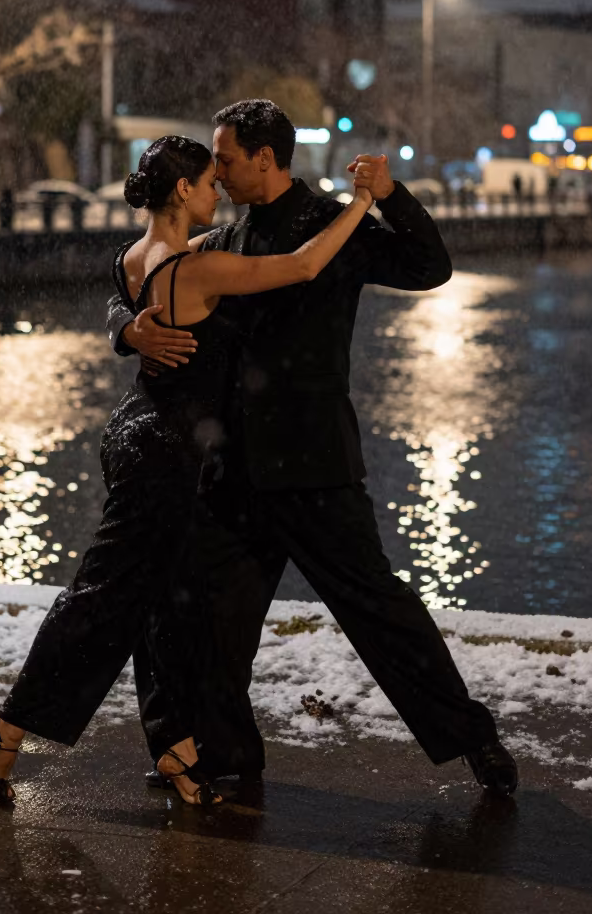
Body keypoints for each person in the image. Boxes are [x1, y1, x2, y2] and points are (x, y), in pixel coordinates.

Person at [108, 100, 518, 798]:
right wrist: (126, 329)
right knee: (206, 615)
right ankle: (223, 754)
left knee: (380, 613)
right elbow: (137, 280)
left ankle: (474, 739)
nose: (219, 171)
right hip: (232, 462)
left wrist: (388, 195)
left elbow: (430, 266)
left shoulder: (335, 224)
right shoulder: (226, 237)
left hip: (312, 461)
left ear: (265, 159)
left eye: (228, 159)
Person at [0, 134, 374, 807]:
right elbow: (302, 266)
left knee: (166, 600)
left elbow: (120, 302)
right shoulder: (194, 268)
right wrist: (358, 205)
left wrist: (125, 328)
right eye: (209, 182)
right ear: (182, 190)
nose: (216, 192)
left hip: (136, 431)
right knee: (105, 600)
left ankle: (176, 749)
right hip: (164, 450)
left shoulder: (130, 256)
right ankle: (7, 727)